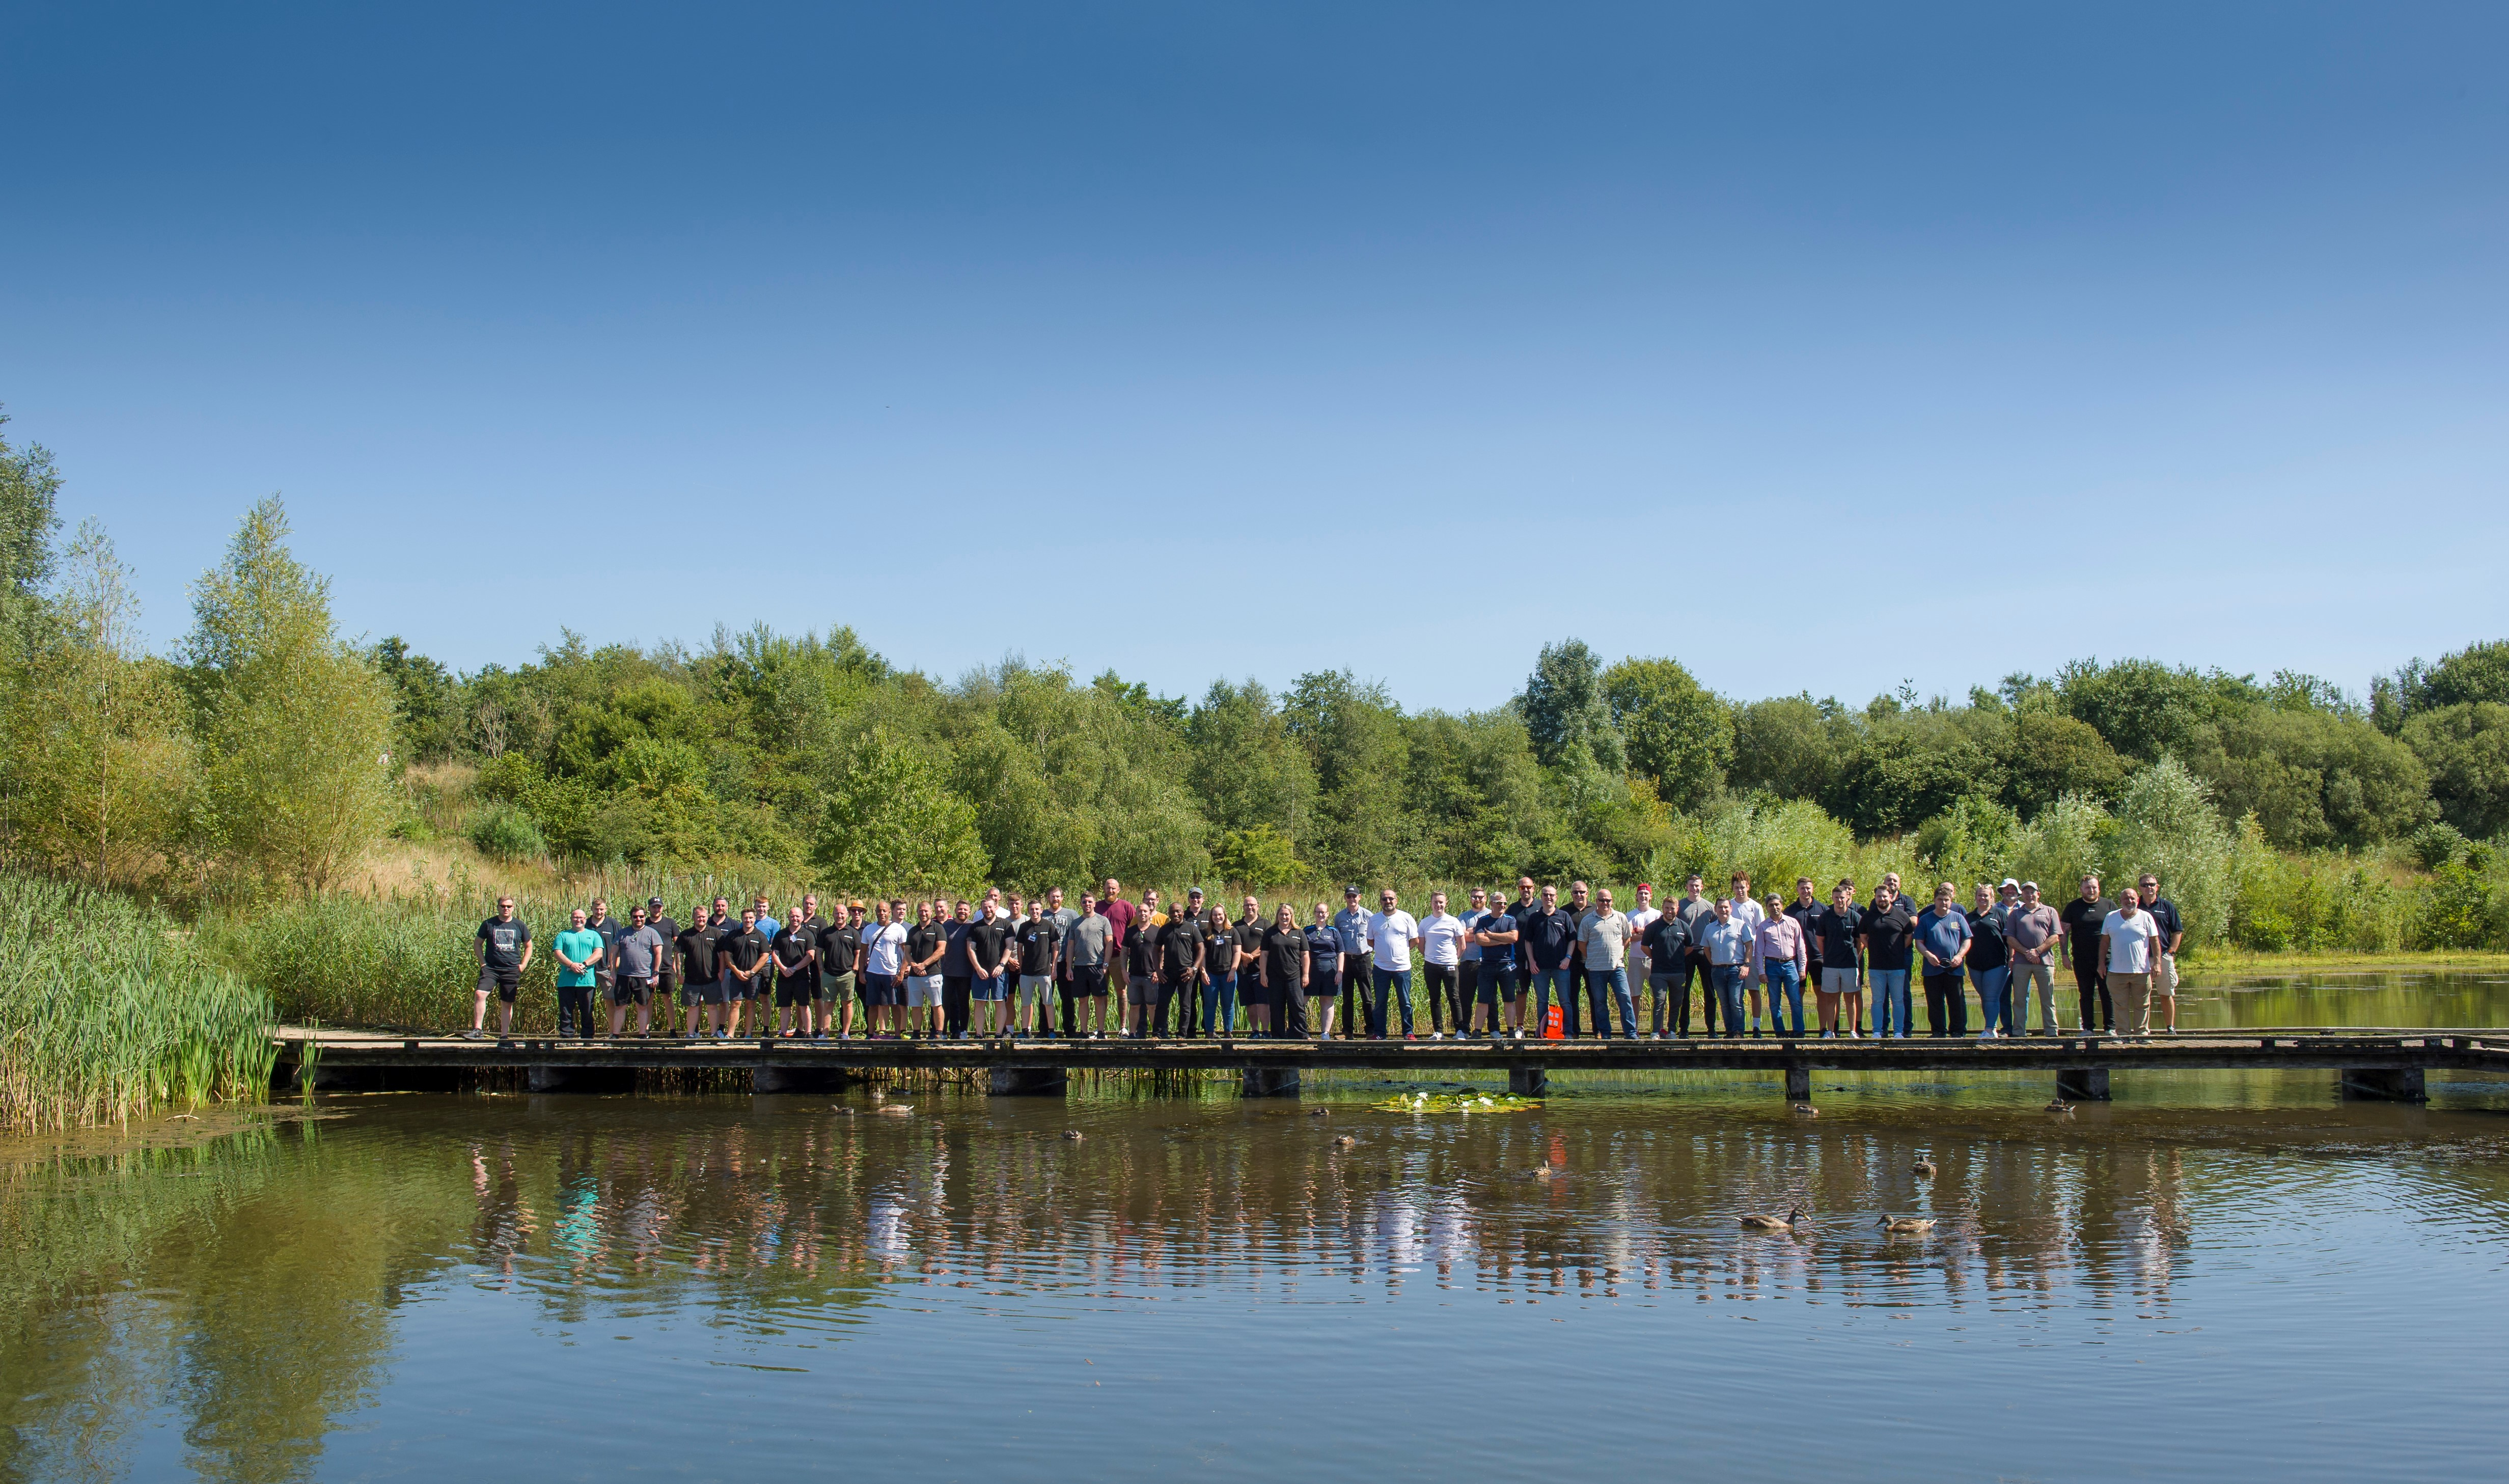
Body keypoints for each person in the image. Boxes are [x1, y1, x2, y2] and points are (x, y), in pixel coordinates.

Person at [2101, 885, 2164, 1036]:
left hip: (2141, 971)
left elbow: (2155, 941)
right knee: (2120, 1006)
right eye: (2126, 898)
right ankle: (2123, 1035)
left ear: (2137, 900)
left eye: (2132, 898)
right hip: (2116, 972)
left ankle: (2142, 1034)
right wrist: (2101, 964)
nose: (2129, 901)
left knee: (2142, 1005)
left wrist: (2157, 963)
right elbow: (2104, 943)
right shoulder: (2111, 917)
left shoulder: (2146, 917)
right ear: (2120, 901)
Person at [1576, 887, 1637, 1039]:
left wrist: (1619, 954)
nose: (1605, 903)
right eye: (1602, 900)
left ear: (1612, 901)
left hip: (1617, 968)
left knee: (1625, 998)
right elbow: (1582, 944)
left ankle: (1631, 1033)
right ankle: (1606, 1034)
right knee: (1600, 1003)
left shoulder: (1620, 917)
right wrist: (1593, 957)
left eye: (1608, 900)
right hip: (1596, 970)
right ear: (1596, 901)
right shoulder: (1588, 920)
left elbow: (1627, 939)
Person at [1860, 876, 1917, 1038]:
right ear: (1875, 898)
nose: (1882, 899)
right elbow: (1863, 936)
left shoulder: (1902, 916)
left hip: (1897, 966)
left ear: (1891, 897)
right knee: (1878, 1001)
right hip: (1876, 966)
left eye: (1885, 896)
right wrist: (1874, 948)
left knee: (1898, 1000)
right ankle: (1877, 1031)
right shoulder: (1869, 916)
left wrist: (1897, 950)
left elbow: (1908, 937)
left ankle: (1898, 1031)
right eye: (1879, 896)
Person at [2003, 882, 2063, 1035]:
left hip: (2045, 963)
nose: (2030, 895)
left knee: (2048, 999)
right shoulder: (2015, 914)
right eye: (2026, 892)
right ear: (2022, 895)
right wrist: (2026, 952)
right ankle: (2018, 1032)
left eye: (2032, 892)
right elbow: (2010, 938)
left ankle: (2051, 1032)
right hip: (2021, 963)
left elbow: (2055, 937)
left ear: (2038, 894)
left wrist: (2037, 951)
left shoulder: (2050, 911)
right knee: (2019, 1000)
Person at [469, 896, 533, 1041]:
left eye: (509, 906)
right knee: (480, 994)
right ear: (498, 907)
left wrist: (524, 964)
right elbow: (477, 943)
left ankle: (504, 1036)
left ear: (513, 908)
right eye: (503, 906)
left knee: (507, 1003)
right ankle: (478, 1030)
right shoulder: (489, 924)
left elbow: (529, 945)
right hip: (491, 968)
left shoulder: (519, 925)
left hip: (511, 969)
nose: (506, 909)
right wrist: (483, 963)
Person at [1519, 884, 1577, 1040]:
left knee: (1565, 1001)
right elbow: (1528, 942)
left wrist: (1568, 958)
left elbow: (1572, 940)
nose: (1549, 898)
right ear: (1542, 897)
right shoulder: (1534, 918)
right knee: (1542, 1001)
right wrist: (1531, 962)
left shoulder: (1564, 916)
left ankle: (1569, 1033)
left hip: (1561, 967)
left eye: (1552, 895)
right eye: (1546, 895)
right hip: (1539, 968)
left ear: (1556, 897)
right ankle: (1543, 1033)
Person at [1914, 883, 1972, 1037]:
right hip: (1932, 968)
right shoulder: (1926, 919)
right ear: (1935, 900)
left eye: (1947, 899)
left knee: (1957, 1001)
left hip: (1954, 968)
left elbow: (1967, 940)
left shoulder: (1958, 918)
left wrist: (1960, 956)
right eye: (1940, 899)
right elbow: (1918, 942)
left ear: (1951, 900)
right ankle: (1938, 1032)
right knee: (1934, 1002)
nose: (1944, 903)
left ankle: (1958, 1032)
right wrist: (1928, 955)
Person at [1364, 888, 1421, 1039]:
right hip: (1381, 968)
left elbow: (1415, 940)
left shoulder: (1406, 917)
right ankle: (1380, 1034)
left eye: (1391, 899)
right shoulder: (1374, 919)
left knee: (1405, 1002)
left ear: (1396, 900)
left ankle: (1408, 1033)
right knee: (1380, 1002)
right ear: (1380, 901)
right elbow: (1370, 941)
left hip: (1402, 968)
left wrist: (1401, 951)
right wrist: (1384, 952)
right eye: (1384, 899)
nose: (1388, 902)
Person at [2060, 875, 2113, 1033]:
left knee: (2107, 993)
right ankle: (2088, 1028)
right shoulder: (2073, 907)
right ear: (2082, 890)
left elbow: (2118, 930)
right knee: (2086, 994)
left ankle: (2111, 1028)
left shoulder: (2109, 905)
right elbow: (2064, 932)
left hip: (2106, 959)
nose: (2091, 890)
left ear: (2099, 888)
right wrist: (2064, 955)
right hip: (2082, 959)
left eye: (2094, 887)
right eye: (2087, 888)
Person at [1812, 882, 1863, 1038]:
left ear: (1848, 897)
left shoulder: (1855, 917)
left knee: (1850, 999)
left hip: (1850, 964)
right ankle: (1830, 1031)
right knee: (1830, 998)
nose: (1839, 901)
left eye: (1842, 898)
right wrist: (1827, 956)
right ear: (1833, 898)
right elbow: (1820, 940)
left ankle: (1852, 1031)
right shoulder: (1825, 917)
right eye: (1836, 898)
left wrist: (1856, 957)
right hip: (1830, 965)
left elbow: (1860, 942)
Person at [1752, 892, 1807, 1036]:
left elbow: (1801, 947)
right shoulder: (1763, 927)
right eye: (1771, 905)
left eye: (1777, 904)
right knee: (1775, 1002)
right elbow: (1759, 951)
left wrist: (1802, 968)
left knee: (1795, 1000)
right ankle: (1780, 1032)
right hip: (1772, 966)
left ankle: (1799, 1032)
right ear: (1767, 908)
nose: (1775, 907)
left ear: (1782, 905)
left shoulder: (1792, 923)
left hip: (1790, 965)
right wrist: (1761, 972)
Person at [608, 903, 666, 1038]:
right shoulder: (623, 933)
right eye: (635, 917)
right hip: (624, 975)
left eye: (641, 916)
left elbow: (658, 954)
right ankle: (615, 1034)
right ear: (631, 918)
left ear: (645, 917)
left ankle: (642, 1034)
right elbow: (613, 953)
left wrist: (656, 973)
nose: (638, 919)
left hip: (644, 976)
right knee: (620, 1006)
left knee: (642, 1006)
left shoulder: (652, 933)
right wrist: (612, 972)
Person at [1699, 897, 1756, 1035]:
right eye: (1720, 907)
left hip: (1736, 970)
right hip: (1718, 971)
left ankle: (1739, 1031)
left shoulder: (1740, 925)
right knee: (1724, 1003)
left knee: (1736, 1001)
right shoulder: (1709, 928)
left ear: (1731, 908)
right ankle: (1730, 1031)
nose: (1723, 910)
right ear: (1716, 910)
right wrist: (1713, 963)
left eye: (1726, 907)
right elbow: (1706, 948)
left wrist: (1746, 965)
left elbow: (1749, 945)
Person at [2138, 872, 2185, 1034]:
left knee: (2166, 994)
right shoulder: (2134, 906)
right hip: (2141, 958)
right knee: (2143, 996)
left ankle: (2170, 1027)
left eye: (2152, 884)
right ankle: (2144, 1029)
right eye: (2145, 885)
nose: (2149, 888)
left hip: (2163, 957)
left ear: (2157, 887)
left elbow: (2177, 931)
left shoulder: (2167, 907)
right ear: (2140, 888)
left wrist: (2171, 952)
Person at [1062, 892, 1114, 1038]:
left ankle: (1101, 1031)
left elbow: (1109, 943)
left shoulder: (1103, 921)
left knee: (1099, 1000)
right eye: (1085, 902)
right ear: (1081, 903)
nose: (1087, 905)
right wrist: (1068, 968)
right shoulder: (1075, 923)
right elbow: (1070, 946)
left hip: (1097, 965)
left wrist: (1105, 964)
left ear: (1094, 903)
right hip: (1079, 966)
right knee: (1082, 1000)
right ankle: (1084, 1032)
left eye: (1090, 902)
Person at [1965, 883, 2012, 1039]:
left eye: (1986, 895)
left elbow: (2010, 939)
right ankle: (1992, 1027)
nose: (1983, 898)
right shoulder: (1968, 918)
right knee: (1985, 997)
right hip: (1975, 964)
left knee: (1992, 997)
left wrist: (2011, 958)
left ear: (1992, 898)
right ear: (1976, 898)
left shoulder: (2000, 914)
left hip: (1997, 964)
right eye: (1980, 895)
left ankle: (1990, 1030)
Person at [1469, 888, 1519, 1038]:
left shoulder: (1510, 920)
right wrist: (1502, 940)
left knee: (1509, 999)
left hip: (1506, 965)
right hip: (1487, 965)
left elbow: (1513, 938)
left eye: (1504, 903)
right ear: (1491, 904)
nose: (1502, 906)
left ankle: (1511, 1030)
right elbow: (1479, 940)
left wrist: (1492, 936)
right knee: (1483, 1000)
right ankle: (1478, 1031)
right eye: (1499, 903)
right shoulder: (1483, 921)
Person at [1671, 874, 1718, 1035]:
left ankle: (1711, 1029)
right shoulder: (1681, 906)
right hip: (1687, 952)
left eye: (1697, 885)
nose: (1694, 888)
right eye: (1691, 885)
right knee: (1685, 992)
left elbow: (1716, 930)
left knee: (1710, 992)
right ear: (1687, 887)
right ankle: (1683, 1029)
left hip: (1705, 952)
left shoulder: (1710, 908)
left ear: (1702, 887)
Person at [1723, 872, 1769, 1032]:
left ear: (1748, 887)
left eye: (1742, 887)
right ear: (1733, 889)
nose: (1740, 891)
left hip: (1753, 955)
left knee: (1754, 991)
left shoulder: (1755, 907)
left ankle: (1756, 1026)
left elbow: (1761, 931)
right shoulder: (1729, 906)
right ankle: (1736, 1028)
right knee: (1735, 996)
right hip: (1734, 957)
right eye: (1736, 888)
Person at [1419, 892, 1469, 1038]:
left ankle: (1460, 1030)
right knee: (1434, 998)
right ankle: (1438, 1031)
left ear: (1446, 903)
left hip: (1450, 965)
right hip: (1431, 965)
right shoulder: (1424, 923)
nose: (1438, 905)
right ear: (1431, 903)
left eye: (1441, 902)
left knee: (1454, 997)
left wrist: (1455, 958)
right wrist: (1430, 957)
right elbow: (1421, 946)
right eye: (1435, 902)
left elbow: (1462, 945)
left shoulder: (1453, 922)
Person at [1640, 901, 1691, 1038]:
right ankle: (1656, 1031)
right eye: (1667, 908)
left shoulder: (1683, 927)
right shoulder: (1654, 927)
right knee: (1659, 1001)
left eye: (1672, 908)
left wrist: (1678, 957)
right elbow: (1644, 946)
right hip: (1658, 972)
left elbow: (1690, 947)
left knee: (1676, 1003)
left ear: (1677, 909)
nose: (1669, 911)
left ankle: (1672, 1031)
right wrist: (1656, 957)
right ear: (1663, 908)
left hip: (1678, 972)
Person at [715, 908, 768, 1037]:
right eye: (746, 918)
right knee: (735, 1003)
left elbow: (765, 956)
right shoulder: (734, 935)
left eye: (751, 918)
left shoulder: (760, 936)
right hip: (736, 975)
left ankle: (748, 1034)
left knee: (751, 1004)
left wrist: (752, 972)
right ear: (742, 919)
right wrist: (737, 971)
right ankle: (730, 1034)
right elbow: (727, 955)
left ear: (754, 919)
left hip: (754, 976)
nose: (748, 920)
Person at [553, 908, 603, 1039]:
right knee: (566, 1012)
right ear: (571, 919)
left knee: (587, 1011)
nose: (578, 920)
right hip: (566, 981)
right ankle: (566, 1037)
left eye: (581, 918)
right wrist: (572, 965)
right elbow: (558, 953)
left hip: (587, 981)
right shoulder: (563, 935)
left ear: (586, 919)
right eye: (575, 917)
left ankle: (587, 1038)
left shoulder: (594, 935)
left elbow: (598, 953)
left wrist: (584, 964)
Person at [859, 900, 906, 1038]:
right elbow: (863, 953)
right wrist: (862, 972)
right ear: (876, 912)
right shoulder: (869, 930)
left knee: (894, 1004)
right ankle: (870, 1034)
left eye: (885, 911)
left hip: (891, 973)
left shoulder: (898, 929)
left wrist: (901, 972)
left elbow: (907, 953)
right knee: (873, 1005)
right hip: (873, 973)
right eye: (879, 911)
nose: (882, 913)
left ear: (889, 912)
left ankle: (898, 1034)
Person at [966, 894, 1011, 1038]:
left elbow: (1009, 947)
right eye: (985, 908)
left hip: (1000, 972)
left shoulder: (1005, 925)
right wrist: (978, 968)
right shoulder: (975, 927)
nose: (988, 910)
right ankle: (979, 1034)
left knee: (999, 1002)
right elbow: (971, 948)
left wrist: (1002, 965)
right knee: (980, 1003)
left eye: (990, 907)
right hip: (981, 973)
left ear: (996, 907)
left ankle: (999, 1034)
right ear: (982, 909)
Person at [1259, 903, 1309, 1033]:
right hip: (1275, 977)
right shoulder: (1270, 933)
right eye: (1282, 914)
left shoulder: (1299, 933)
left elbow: (1305, 955)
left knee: (1297, 1006)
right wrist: (1263, 974)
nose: (1284, 917)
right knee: (1276, 1007)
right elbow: (1264, 954)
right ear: (1278, 916)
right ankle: (1278, 1035)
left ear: (1291, 916)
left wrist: (1306, 974)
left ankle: (1300, 1034)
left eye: (1287, 914)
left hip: (1294, 977)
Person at [770, 906, 819, 1039]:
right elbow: (774, 954)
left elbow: (811, 956)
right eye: (792, 916)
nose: (795, 919)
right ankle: (783, 1033)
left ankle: (808, 1033)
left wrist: (794, 969)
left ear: (802, 918)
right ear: (789, 917)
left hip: (802, 977)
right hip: (784, 976)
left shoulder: (808, 935)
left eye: (798, 916)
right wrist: (783, 969)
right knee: (785, 1006)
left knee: (804, 1005)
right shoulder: (781, 935)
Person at [1122, 888, 1166, 1037]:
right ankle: (1133, 1034)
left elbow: (1162, 952)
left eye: (1145, 912)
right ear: (1136, 913)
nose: (1143, 914)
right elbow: (1124, 952)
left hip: (1151, 975)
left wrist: (1158, 971)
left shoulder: (1157, 931)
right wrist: (1124, 970)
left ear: (1149, 914)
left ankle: (1156, 1034)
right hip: (1134, 976)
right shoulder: (1130, 931)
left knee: (1152, 1006)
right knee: (1134, 1006)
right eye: (1140, 911)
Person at [1012, 900, 1060, 1036]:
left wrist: (1053, 966)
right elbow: (1020, 947)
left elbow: (1056, 947)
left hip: (1044, 971)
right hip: (1027, 972)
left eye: (1037, 909)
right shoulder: (1024, 927)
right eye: (1032, 909)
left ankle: (1051, 1031)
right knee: (1026, 1003)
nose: (1035, 912)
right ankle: (1025, 1031)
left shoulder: (1049, 926)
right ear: (1029, 911)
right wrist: (1021, 966)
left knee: (1048, 1002)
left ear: (1041, 910)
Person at [673, 905, 719, 1039]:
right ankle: (691, 1034)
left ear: (707, 917)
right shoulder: (686, 934)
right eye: (698, 916)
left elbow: (723, 955)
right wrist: (679, 975)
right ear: (693, 917)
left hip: (712, 978)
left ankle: (714, 1034)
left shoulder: (715, 933)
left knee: (712, 1006)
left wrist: (721, 972)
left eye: (704, 916)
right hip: (692, 979)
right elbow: (679, 955)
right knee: (692, 1007)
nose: (701, 919)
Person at [1333, 887, 1372, 1039]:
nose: (1352, 899)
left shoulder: (1369, 916)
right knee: (1347, 998)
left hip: (1363, 959)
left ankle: (1371, 1030)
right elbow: (1337, 941)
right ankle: (1347, 1031)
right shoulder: (1340, 917)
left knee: (1367, 997)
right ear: (1345, 898)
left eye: (1354, 896)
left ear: (1360, 897)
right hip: (1346, 961)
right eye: (1349, 897)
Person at [1784, 878, 1825, 1028]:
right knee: (1797, 993)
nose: (1805, 891)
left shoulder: (1822, 910)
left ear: (1813, 889)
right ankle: (1798, 1029)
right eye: (1802, 888)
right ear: (1797, 890)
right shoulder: (1790, 911)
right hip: (1796, 959)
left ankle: (1823, 1029)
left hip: (1818, 957)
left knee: (1821, 992)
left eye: (1808, 888)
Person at [903, 900, 946, 1039]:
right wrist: (915, 966)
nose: (924, 913)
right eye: (921, 911)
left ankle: (939, 1033)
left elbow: (941, 951)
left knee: (937, 1005)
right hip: (915, 976)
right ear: (917, 912)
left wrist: (924, 965)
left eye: (926, 911)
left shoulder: (938, 929)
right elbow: (907, 952)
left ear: (931, 912)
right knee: (916, 1006)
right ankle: (916, 1034)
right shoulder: (912, 931)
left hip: (933, 974)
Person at [819, 902, 862, 1039]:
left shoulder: (853, 932)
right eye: (837, 913)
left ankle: (845, 1033)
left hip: (847, 974)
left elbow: (858, 953)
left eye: (842, 913)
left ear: (847, 915)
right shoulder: (826, 933)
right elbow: (819, 952)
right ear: (833, 914)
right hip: (829, 974)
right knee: (828, 1004)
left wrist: (855, 970)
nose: (840, 916)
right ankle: (824, 1035)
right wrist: (821, 970)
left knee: (848, 1004)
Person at [1199, 900, 1239, 1036]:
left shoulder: (1232, 932)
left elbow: (1237, 952)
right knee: (1210, 1004)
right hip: (1211, 974)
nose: (1218, 917)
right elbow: (1202, 954)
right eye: (1215, 915)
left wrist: (1233, 970)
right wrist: (1203, 971)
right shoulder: (1206, 933)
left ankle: (1229, 1032)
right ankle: (1209, 1032)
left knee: (1228, 1004)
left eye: (1220, 914)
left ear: (1225, 915)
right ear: (1211, 917)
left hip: (1228, 974)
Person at [1623, 883, 1660, 1030]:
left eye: (1646, 894)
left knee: (1658, 996)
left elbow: (1658, 936)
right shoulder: (1631, 915)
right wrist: (1648, 934)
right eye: (1641, 894)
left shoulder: (1657, 914)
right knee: (1634, 996)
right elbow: (1628, 937)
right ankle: (1634, 1029)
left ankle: (1657, 1028)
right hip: (1635, 959)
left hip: (1653, 959)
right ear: (1637, 897)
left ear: (1651, 896)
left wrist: (1641, 932)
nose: (1643, 896)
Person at [1304, 904, 1344, 1039]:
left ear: (1328, 914)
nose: (1321, 915)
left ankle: (1325, 1033)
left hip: (1330, 968)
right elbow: (1302, 952)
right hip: (1311, 968)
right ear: (1314, 913)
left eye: (1323, 913)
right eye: (1318, 912)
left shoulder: (1333, 931)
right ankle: (1301, 1030)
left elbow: (1340, 952)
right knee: (1303, 999)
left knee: (1327, 999)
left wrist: (1340, 971)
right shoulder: (1307, 930)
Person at [583, 897, 624, 1026]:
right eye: (596, 909)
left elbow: (621, 947)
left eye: (601, 909)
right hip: (587, 970)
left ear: (606, 909)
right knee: (586, 1002)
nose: (599, 912)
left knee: (610, 1001)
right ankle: (587, 1035)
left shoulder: (613, 924)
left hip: (607, 970)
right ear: (591, 909)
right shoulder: (585, 924)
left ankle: (612, 1033)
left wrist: (615, 966)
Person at [645, 896, 680, 1034]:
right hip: (648, 967)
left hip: (666, 967)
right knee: (648, 998)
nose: (656, 909)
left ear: (663, 908)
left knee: (668, 997)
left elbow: (678, 945)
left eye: (659, 907)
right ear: (649, 908)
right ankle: (645, 1030)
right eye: (654, 907)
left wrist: (676, 964)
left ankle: (673, 1030)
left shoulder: (670, 923)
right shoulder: (645, 923)